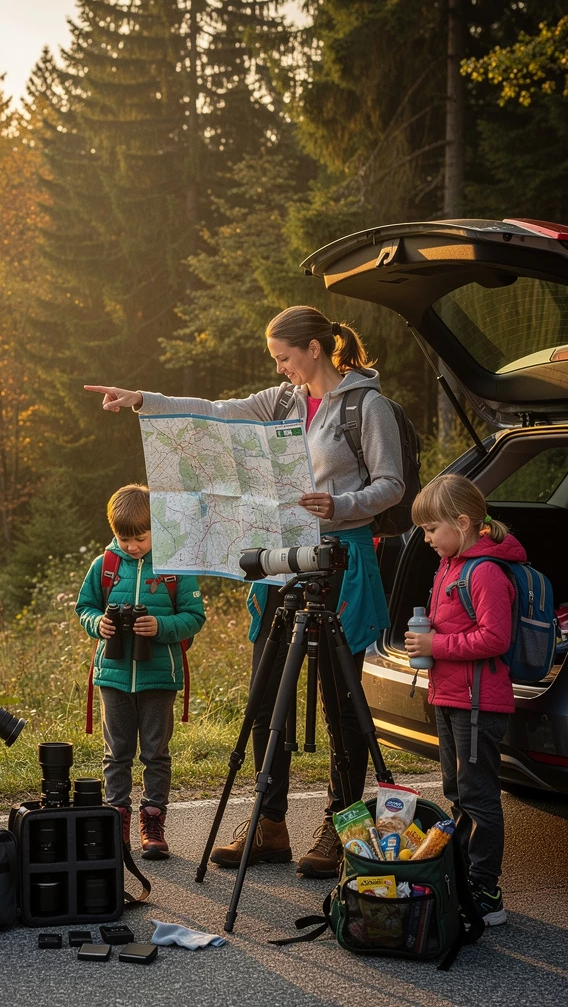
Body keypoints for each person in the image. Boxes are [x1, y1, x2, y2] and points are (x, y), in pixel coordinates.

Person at [85, 305, 404, 877]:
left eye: (285, 358)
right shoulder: (281, 402)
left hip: (341, 560)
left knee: (342, 704)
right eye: (275, 361)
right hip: (280, 561)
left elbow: (392, 485)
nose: (280, 369)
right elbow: (213, 414)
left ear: (314, 348)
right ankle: (269, 823)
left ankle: (341, 825)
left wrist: (341, 505)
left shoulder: (365, 405)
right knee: (265, 697)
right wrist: (142, 400)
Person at [404, 475, 518, 926]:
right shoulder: (451, 565)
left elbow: (495, 637)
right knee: (457, 791)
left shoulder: (485, 570)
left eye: (432, 529)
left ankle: (487, 892)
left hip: (479, 703)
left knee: (478, 795)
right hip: (451, 697)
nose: (427, 538)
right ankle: (463, 876)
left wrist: (436, 647)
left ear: (463, 521)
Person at [75, 484, 206, 859]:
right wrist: (97, 623)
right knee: (116, 754)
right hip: (113, 676)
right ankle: (117, 821)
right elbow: (84, 607)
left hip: (159, 676)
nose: (131, 546)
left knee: (155, 753)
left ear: (157, 528)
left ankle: (152, 823)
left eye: (140, 538)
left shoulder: (174, 566)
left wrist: (160, 627)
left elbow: (195, 617)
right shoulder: (105, 565)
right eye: (123, 538)